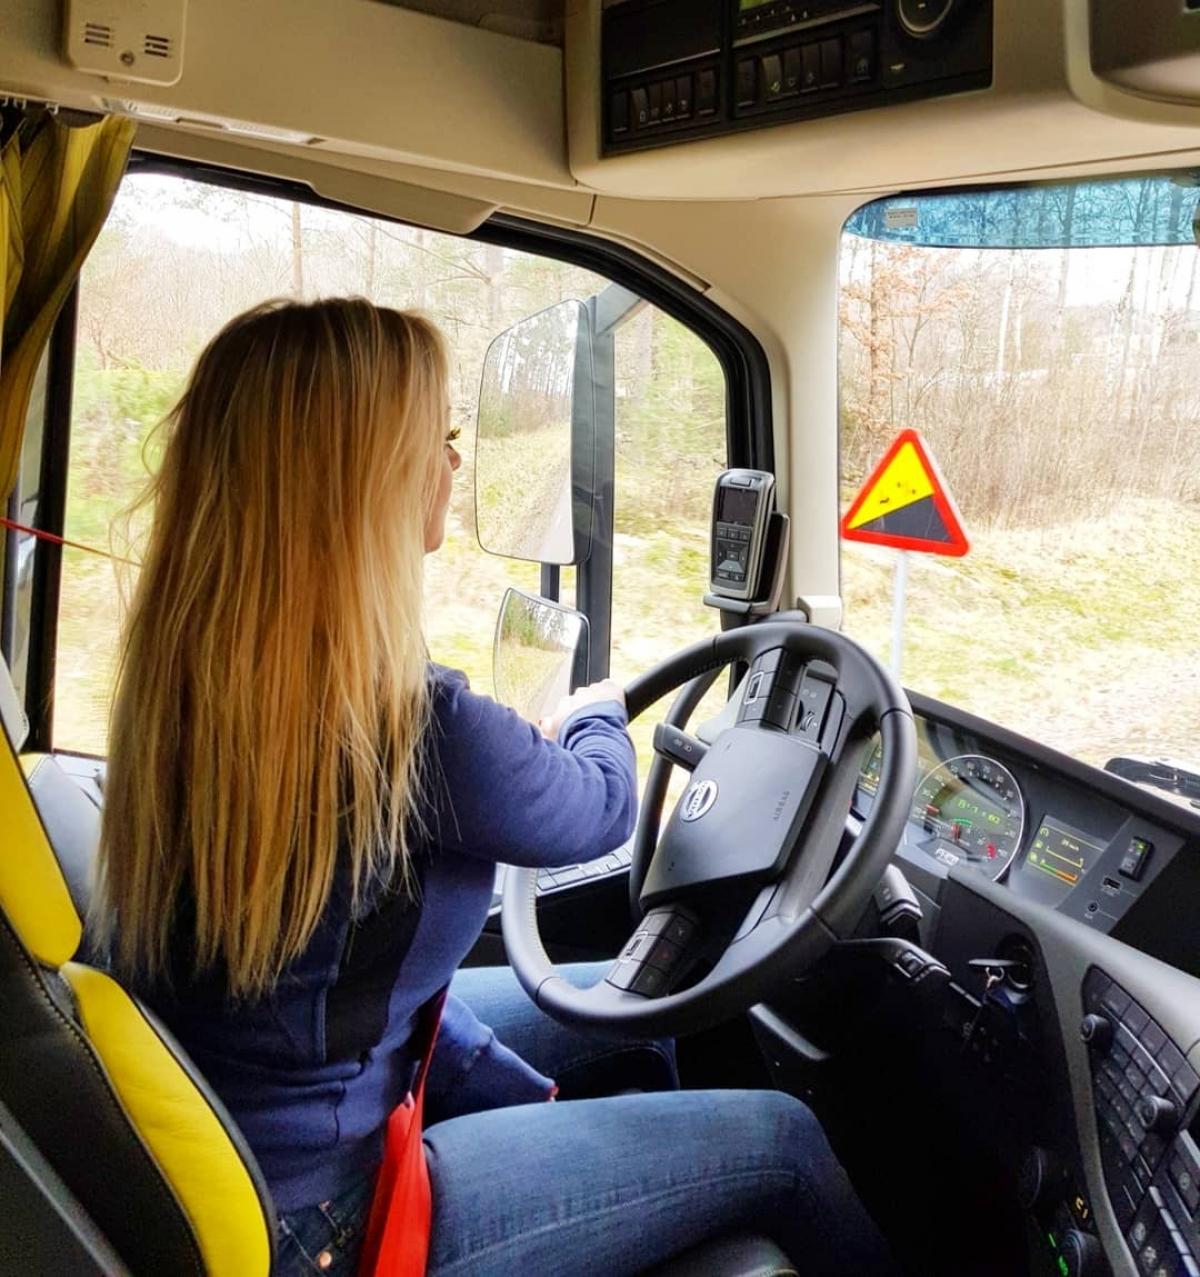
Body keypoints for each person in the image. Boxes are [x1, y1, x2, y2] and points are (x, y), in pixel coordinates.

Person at [94, 298, 899, 1277]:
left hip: (234, 1154)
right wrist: (597, 711)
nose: (453, 461)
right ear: (368, 480)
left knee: (630, 1033)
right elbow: (601, 807)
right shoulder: (411, 725)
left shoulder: (190, 685)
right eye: (438, 438)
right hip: (326, 1220)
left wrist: (504, 1087)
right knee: (784, 1140)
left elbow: (357, 978)